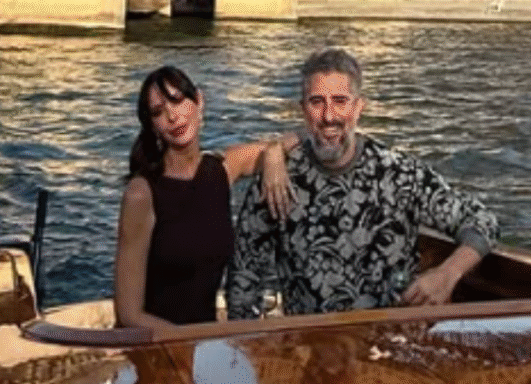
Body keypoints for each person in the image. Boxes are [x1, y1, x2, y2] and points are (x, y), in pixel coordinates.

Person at [226, 48, 499, 319]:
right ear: (303, 109)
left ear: (358, 108)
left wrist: (447, 273)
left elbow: (482, 220)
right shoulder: (278, 181)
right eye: (317, 102)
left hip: (389, 344)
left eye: (340, 101)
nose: (329, 115)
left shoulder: (399, 174)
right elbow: (244, 280)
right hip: (310, 348)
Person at [114, 65, 298, 333]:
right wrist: (190, 343)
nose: (172, 116)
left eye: (178, 101)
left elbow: (299, 136)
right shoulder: (141, 193)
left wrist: (273, 153)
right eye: (158, 112)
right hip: (155, 347)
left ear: (199, 102)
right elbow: (129, 314)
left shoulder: (221, 170)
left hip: (205, 341)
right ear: (152, 126)